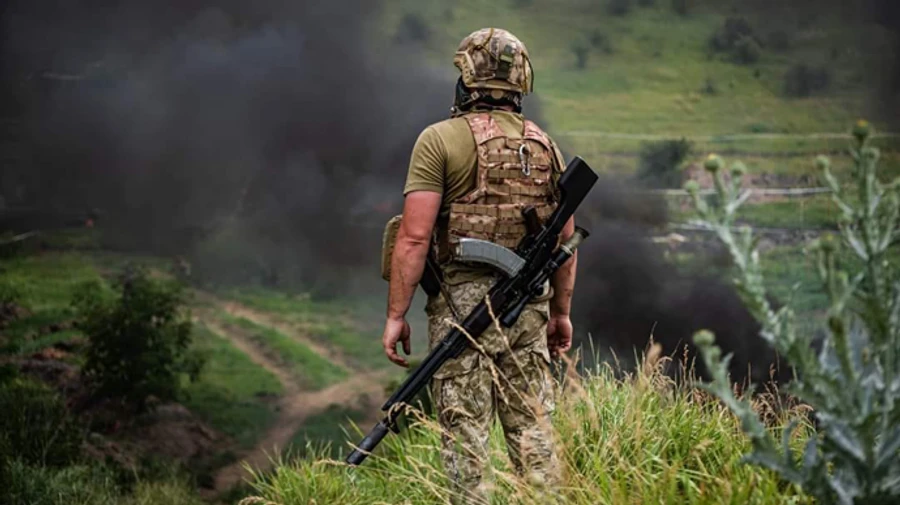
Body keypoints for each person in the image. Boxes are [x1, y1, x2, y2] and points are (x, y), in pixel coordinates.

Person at [381, 28, 578, 503]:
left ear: (466, 77)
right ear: (520, 81)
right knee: (534, 440)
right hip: (528, 313)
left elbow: (413, 237)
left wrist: (395, 315)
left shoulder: (439, 140)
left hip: (461, 311)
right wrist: (560, 313)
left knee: (466, 445)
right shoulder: (545, 146)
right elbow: (566, 241)